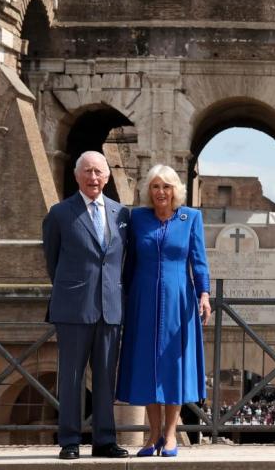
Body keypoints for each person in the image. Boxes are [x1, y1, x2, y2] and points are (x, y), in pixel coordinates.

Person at [117, 164, 211, 458]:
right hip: (142, 299)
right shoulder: (138, 218)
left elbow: (199, 261)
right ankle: (152, 434)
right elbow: (128, 262)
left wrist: (204, 294)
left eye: (166, 186)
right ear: (149, 191)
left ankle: (170, 434)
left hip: (178, 299)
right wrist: (123, 296)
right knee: (147, 364)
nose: (161, 192)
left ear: (175, 191)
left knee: (173, 364)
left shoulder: (191, 218)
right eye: (156, 186)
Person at [42, 151, 130, 460]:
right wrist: (75, 289)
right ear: (77, 176)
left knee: (106, 377)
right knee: (71, 377)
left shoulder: (122, 215)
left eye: (98, 172)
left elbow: (123, 263)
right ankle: (69, 440)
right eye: (88, 172)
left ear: (107, 177)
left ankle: (105, 440)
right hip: (73, 308)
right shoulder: (59, 214)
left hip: (110, 308)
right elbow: (52, 262)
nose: (94, 178)